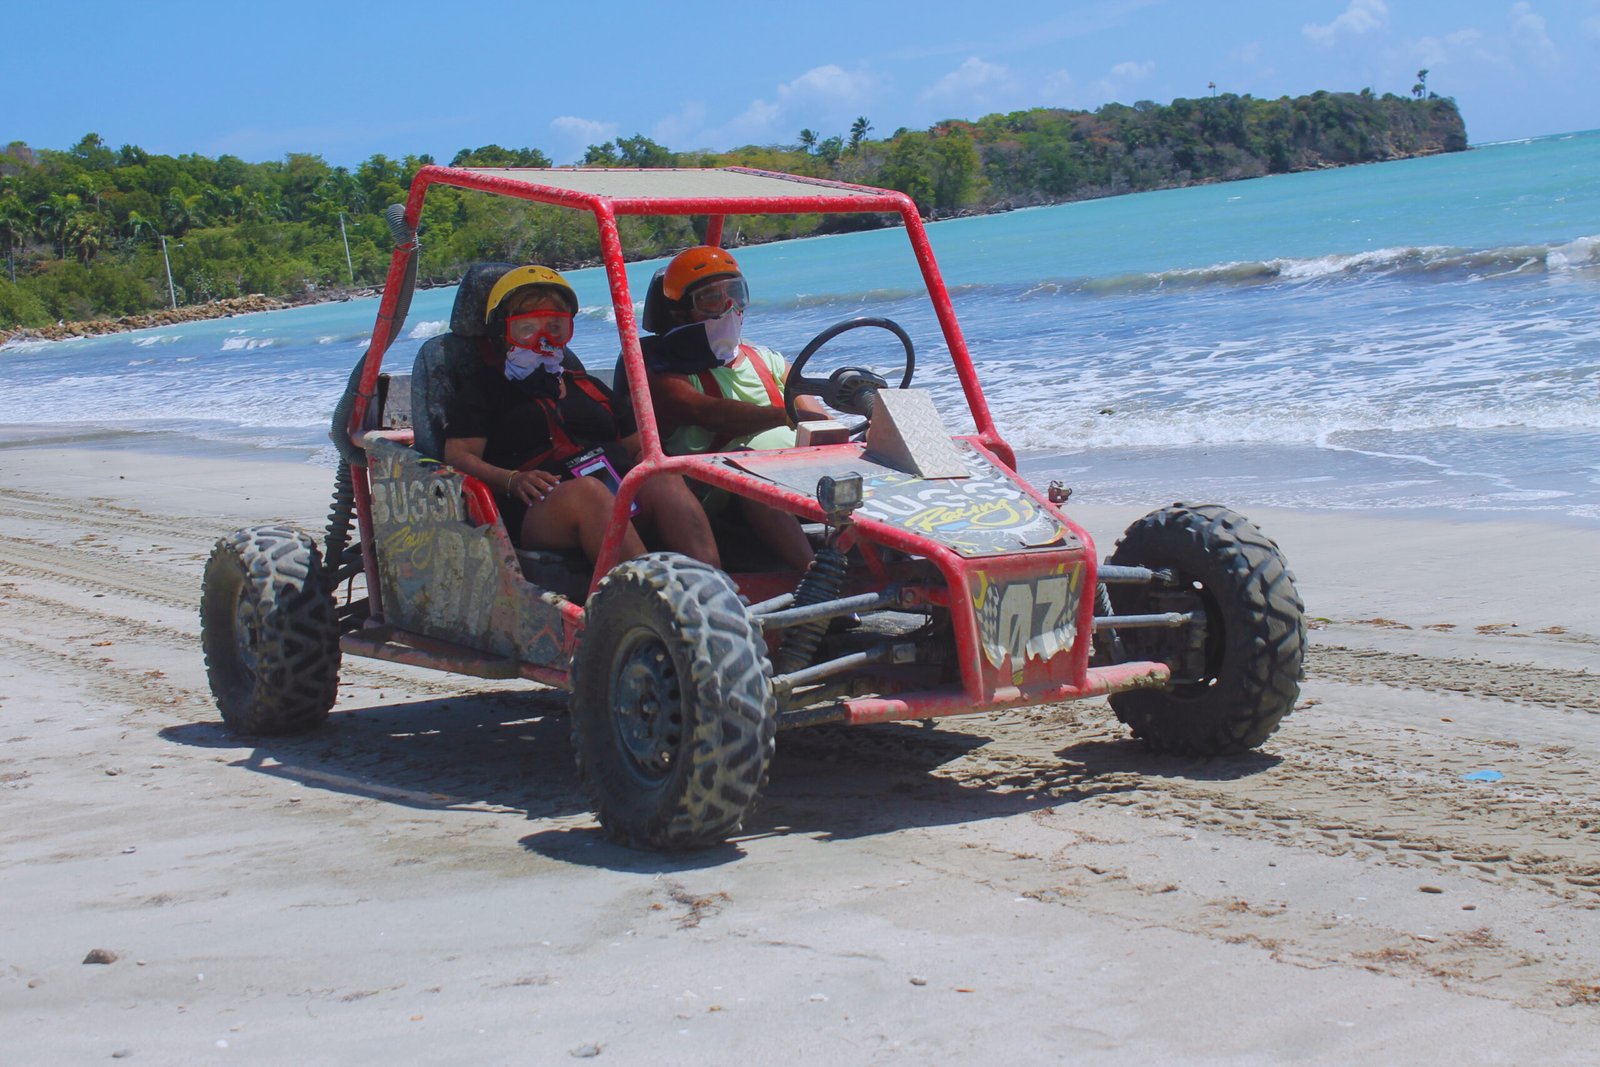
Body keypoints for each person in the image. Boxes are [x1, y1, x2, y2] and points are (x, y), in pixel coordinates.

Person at [442, 265, 719, 567]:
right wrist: (511, 480)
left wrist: (645, 462)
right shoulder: (484, 389)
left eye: (555, 327)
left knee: (661, 477)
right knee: (589, 494)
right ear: (502, 332)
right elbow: (458, 456)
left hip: (613, 486)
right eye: (528, 329)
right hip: (539, 503)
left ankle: (716, 585)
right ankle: (651, 595)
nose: (543, 339)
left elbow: (637, 445)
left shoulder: (587, 386)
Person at [643, 246, 821, 569]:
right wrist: (788, 416)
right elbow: (707, 413)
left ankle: (919, 564)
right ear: (682, 312)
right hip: (720, 488)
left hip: (800, 473)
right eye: (712, 298)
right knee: (754, 476)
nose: (729, 307)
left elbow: (815, 415)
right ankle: (818, 582)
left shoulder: (768, 359)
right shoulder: (663, 373)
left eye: (735, 294)